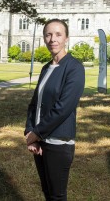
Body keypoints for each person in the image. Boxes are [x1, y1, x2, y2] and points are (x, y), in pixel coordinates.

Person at [24, 18, 85, 200]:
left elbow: (63, 108)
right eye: (48, 34)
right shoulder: (46, 68)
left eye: (58, 34)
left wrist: (37, 133)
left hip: (58, 142)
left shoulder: (74, 68)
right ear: (44, 38)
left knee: (57, 196)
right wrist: (30, 133)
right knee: (47, 192)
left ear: (66, 38)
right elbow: (35, 103)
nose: (53, 39)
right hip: (40, 140)